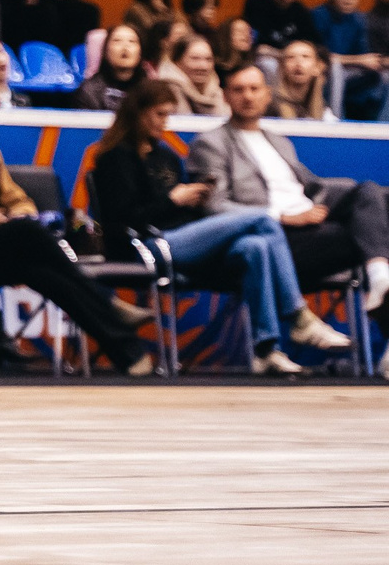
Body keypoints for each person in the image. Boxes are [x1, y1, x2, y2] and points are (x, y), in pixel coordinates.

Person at [90, 78, 332, 376]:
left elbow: (178, 208)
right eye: (159, 115)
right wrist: (174, 200)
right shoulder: (115, 157)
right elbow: (122, 218)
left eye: (168, 115)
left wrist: (193, 199)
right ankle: (298, 315)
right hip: (146, 245)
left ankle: (266, 350)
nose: (164, 123)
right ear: (137, 113)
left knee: (254, 247)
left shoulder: (165, 156)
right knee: (263, 219)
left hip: (182, 237)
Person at [0, 74, 155, 374]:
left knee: (46, 273)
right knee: (29, 233)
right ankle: (105, 301)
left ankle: (127, 354)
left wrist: (19, 211)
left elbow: (17, 199)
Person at [188, 61, 389, 338]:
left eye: (254, 89)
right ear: (226, 96)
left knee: (371, 194)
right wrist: (282, 217)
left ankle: (381, 278)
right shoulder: (210, 143)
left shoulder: (277, 140)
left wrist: (368, 196)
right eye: (239, 90)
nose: (247, 96)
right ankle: (382, 293)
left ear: (267, 94)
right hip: (277, 238)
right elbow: (216, 206)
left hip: (313, 224)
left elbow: (312, 188)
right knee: (376, 236)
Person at [311, 0, 386, 122]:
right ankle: (336, 119)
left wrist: (373, 62)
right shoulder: (318, 15)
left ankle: (383, 123)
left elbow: (364, 55)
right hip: (323, 69)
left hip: (351, 70)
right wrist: (358, 60)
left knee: (385, 76)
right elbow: (321, 56)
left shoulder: (359, 19)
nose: (348, 0)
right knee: (336, 68)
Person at [244, 0, 322, 55]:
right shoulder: (255, 5)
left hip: (293, 55)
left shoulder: (299, 10)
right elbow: (255, 43)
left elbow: (313, 41)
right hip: (266, 55)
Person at [75, 25, 147, 113]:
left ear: (140, 53)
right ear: (105, 51)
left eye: (132, 41)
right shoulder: (88, 91)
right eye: (117, 41)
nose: (125, 47)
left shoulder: (151, 92)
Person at [161, 32, 225, 116]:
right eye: (195, 59)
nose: (203, 66)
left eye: (208, 59)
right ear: (177, 62)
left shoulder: (218, 93)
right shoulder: (166, 92)